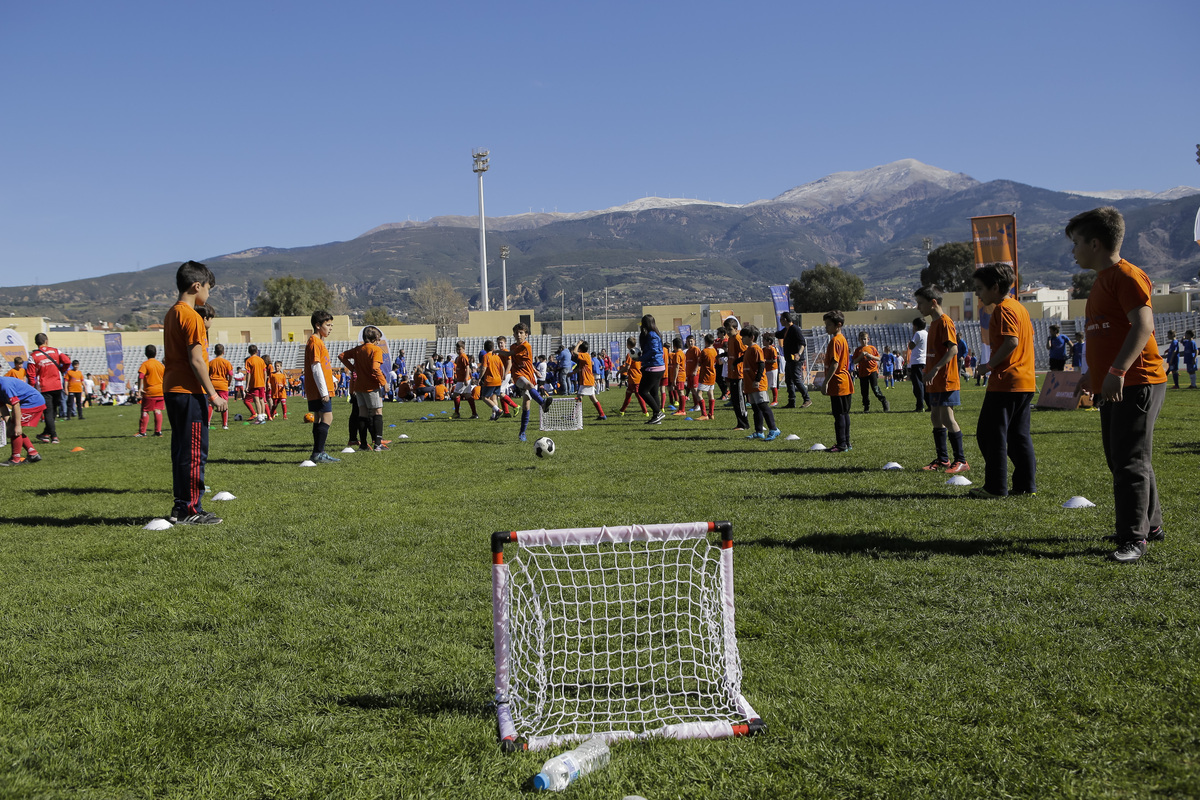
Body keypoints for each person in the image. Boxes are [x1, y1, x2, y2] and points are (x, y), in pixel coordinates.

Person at [1068, 207, 1169, 562]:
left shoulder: (1126, 276)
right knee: (1123, 458)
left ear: (1095, 243)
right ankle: (1149, 525)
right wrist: (1092, 374)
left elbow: (1143, 325)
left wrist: (1118, 371)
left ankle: (1133, 538)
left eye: (1077, 243)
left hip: (1137, 382)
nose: (1074, 250)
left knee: (1129, 461)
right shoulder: (1102, 279)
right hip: (1116, 382)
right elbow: (1107, 334)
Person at [162, 260, 227, 525]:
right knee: (194, 451)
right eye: (208, 288)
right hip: (189, 391)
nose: (208, 294)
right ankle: (190, 509)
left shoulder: (171, 313)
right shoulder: (191, 316)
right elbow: (197, 360)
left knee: (181, 449)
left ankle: (182, 506)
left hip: (173, 389)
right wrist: (213, 395)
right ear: (196, 286)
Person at [971, 263, 1036, 499]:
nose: (977, 294)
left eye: (980, 288)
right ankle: (1026, 485)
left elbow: (1011, 342)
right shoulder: (1019, 307)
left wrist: (989, 366)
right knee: (1018, 435)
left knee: (989, 435)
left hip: (1007, 382)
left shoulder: (1003, 309)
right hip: (1025, 381)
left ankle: (995, 487)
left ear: (995, 287)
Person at [914, 285, 968, 473]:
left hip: (946, 379)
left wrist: (935, 369)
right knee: (935, 416)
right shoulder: (934, 323)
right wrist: (928, 369)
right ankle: (943, 459)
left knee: (947, 417)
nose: (918, 307)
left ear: (933, 302)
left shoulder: (945, 322)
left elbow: (953, 349)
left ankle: (961, 460)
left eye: (920, 303)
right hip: (934, 379)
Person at [304, 310, 340, 464]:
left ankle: (318, 452)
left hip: (320, 387)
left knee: (319, 418)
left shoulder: (318, 341)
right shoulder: (314, 341)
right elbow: (315, 367)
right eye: (328, 325)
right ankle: (318, 452)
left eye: (332, 325)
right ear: (318, 325)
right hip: (319, 389)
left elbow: (322, 367)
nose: (330, 328)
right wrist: (324, 391)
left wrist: (331, 378)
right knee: (327, 417)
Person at [509, 322, 554, 442]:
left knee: (526, 405)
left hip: (529, 376)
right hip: (518, 376)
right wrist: (499, 351)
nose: (518, 335)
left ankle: (522, 433)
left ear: (526, 335)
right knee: (528, 385)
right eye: (516, 333)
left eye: (521, 333)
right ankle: (542, 403)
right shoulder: (513, 347)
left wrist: (534, 370)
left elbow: (527, 362)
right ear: (513, 334)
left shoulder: (526, 346)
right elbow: (513, 356)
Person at [27, 332, 71, 443]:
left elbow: (31, 375)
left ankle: (54, 436)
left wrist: (32, 388)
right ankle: (45, 434)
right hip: (57, 385)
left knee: (48, 412)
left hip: (44, 387)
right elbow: (67, 361)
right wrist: (62, 370)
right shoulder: (56, 351)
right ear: (46, 341)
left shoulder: (33, 356)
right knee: (53, 411)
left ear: (36, 343)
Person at [820, 310, 853, 452]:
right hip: (845, 381)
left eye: (828, 325)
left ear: (838, 325)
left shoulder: (835, 341)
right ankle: (846, 442)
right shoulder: (843, 339)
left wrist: (825, 381)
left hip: (838, 381)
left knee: (838, 414)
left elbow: (834, 363)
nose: (826, 327)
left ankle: (841, 445)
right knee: (844, 413)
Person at [740, 325, 781, 441]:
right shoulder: (748, 349)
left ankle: (773, 429)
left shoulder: (756, 349)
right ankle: (759, 431)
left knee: (763, 405)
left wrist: (757, 380)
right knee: (756, 408)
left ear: (751, 337)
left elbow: (761, 364)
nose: (742, 339)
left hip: (758, 384)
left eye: (744, 337)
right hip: (750, 384)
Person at [352, 326, 389, 450]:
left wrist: (353, 368)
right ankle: (378, 443)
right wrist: (384, 383)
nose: (379, 341)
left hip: (359, 386)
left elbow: (342, 356)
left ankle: (363, 444)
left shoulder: (358, 349)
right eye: (378, 339)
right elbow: (375, 368)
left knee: (362, 413)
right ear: (374, 339)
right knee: (377, 412)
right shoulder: (375, 349)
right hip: (371, 385)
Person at [0, 375, 46, 466]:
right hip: (26, 403)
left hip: (32, 402)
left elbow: (15, 404)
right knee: (13, 428)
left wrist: (17, 425)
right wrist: (9, 425)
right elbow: (2, 406)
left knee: (15, 429)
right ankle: (33, 454)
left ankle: (15, 459)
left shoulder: (5, 385)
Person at [775, 312, 811, 408]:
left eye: (781, 319)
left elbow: (802, 343)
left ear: (785, 319)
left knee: (796, 379)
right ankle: (791, 401)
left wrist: (798, 354)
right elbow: (779, 334)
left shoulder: (795, 329)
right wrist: (769, 334)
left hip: (795, 359)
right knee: (788, 380)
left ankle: (807, 399)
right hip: (789, 360)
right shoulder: (787, 330)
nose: (780, 321)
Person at [638, 315, 667, 425]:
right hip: (658, 366)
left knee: (642, 391)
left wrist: (640, 358)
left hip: (653, 367)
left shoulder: (651, 335)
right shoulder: (655, 334)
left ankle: (657, 412)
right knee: (654, 392)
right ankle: (656, 417)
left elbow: (654, 351)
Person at [851, 332, 889, 413]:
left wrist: (871, 356)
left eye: (865, 339)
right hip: (862, 372)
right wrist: (861, 356)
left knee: (875, 388)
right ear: (859, 340)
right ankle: (866, 406)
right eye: (861, 339)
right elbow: (854, 361)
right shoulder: (858, 350)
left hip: (873, 371)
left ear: (868, 339)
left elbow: (878, 358)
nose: (863, 341)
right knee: (864, 391)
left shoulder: (872, 348)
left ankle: (884, 401)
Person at [723, 317, 750, 431]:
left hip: (738, 374)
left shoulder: (739, 339)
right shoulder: (730, 339)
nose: (728, 332)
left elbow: (746, 353)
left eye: (729, 330)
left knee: (740, 399)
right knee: (734, 400)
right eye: (726, 330)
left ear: (735, 328)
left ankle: (744, 424)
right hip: (732, 373)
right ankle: (739, 423)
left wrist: (736, 363)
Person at [570, 340, 607, 420]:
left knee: (579, 397)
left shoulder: (585, 355)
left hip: (586, 381)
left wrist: (578, 343)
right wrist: (572, 373)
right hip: (588, 380)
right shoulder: (586, 356)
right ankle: (602, 414)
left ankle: (573, 416)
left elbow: (574, 352)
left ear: (581, 349)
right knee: (592, 398)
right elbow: (581, 368)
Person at [135, 344, 165, 437]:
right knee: (158, 410)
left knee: (145, 410)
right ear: (156, 353)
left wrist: (140, 389)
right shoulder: (160, 365)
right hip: (160, 391)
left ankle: (142, 432)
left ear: (145, 353)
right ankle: (158, 431)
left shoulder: (145, 364)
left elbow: (141, 376)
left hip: (150, 391)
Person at [618, 337, 648, 416]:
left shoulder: (630, 354)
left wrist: (619, 371)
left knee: (638, 395)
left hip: (634, 378)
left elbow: (627, 367)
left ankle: (645, 412)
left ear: (628, 344)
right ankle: (622, 411)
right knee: (628, 394)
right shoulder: (638, 351)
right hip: (636, 376)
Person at [207, 344, 233, 429]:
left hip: (212, 385)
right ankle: (224, 424)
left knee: (210, 404)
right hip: (223, 385)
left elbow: (207, 374)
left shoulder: (211, 363)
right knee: (224, 404)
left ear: (215, 352)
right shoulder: (226, 362)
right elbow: (230, 374)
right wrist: (229, 382)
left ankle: (207, 423)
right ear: (223, 352)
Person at [451, 340, 479, 419]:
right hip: (462, 379)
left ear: (463, 349)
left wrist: (466, 378)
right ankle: (474, 414)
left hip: (463, 379)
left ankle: (457, 413)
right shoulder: (459, 357)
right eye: (457, 349)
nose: (458, 351)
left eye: (459, 349)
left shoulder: (463, 357)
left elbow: (467, 368)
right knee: (468, 395)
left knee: (455, 394)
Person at [907, 318, 928, 413]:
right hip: (924, 361)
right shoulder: (926, 333)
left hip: (917, 362)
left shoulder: (918, 334)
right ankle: (930, 404)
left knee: (917, 385)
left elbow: (911, 346)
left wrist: (910, 341)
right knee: (924, 384)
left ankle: (920, 405)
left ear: (915, 326)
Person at [243, 345, 268, 423]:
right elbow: (265, 372)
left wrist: (247, 385)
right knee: (262, 400)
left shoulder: (249, 360)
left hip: (254, 383)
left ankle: (259, 417)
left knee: (256, 400)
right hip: (261, 383)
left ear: (249, 351)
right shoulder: (261, 360)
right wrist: (264, 383)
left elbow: (248, 373)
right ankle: (263, 415)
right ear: (257, 351)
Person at [696, 333, 719, 421]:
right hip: (713, 374)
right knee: (710, 393)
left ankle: (704, 414)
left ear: (705, 342)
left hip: (705, 375)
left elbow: (700, 363)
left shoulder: (704, 351)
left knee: (699, 394)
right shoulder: (714, 350)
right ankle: (711, 414)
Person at [762, 332, 781, 407]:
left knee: (773, 385)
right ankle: (766, 399)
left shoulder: (772, 349)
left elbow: (774, 360)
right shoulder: (763, 349)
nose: (763, 341)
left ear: (769, 341)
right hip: (766, 369)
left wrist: (766, 361)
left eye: (764, 340)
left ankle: (775, 400)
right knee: (765, 385)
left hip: (773, 369)